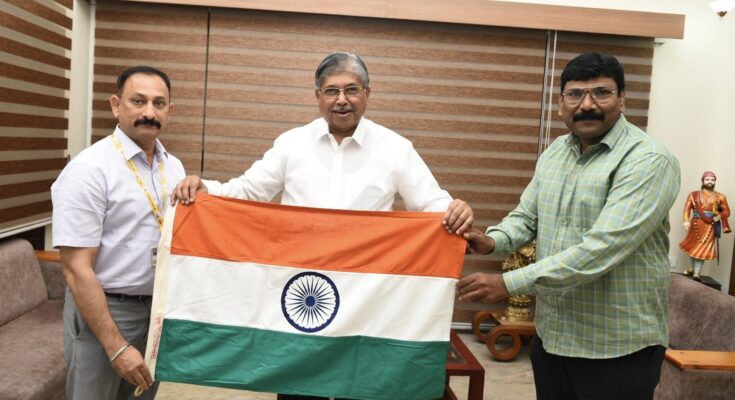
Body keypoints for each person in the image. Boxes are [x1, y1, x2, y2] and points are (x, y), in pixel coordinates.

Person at [172, 51, 473, 400]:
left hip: (365, 298)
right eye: (331, 91)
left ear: (367, 94)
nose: (341, 100)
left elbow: (432, 206)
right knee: (300, 389)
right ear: (317, 96)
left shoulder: (396, 148)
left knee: (358, 387)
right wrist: (205, 189)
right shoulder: (292, 144)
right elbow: (248, 191)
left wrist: (456, 209)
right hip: (303, 292)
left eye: (351, 90)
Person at [456, 52, 680, 400]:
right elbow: (527, 217)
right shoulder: (557, 151)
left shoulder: (647, 160)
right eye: (575, 94)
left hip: (616, 348)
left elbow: (600, 250)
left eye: (601, 93)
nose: (587, 104)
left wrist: (507, 283)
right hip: (553, 338)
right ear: (561, 103)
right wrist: (491, 241)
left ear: (622, 99)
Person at [51, 66, 186, 400]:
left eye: (159, 103)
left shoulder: (174, 167)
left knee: (141, 395)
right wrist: (115, 346)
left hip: (156, 309)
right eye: (138, 101)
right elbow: (76, 268)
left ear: (170, 110)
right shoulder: (89, 169)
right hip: (109, 311)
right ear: (116, 105)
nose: (149, 113)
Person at [679, 171, 731, 280]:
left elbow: (727, 211)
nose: (710, 182)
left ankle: (697, 274)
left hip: (710, 226)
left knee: (702, 249)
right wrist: (686, 220)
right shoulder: (693, 195)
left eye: (712, 180)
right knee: (692, 248)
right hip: (695, 225)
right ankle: (693, 270)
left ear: (715, 181)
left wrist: (720, 216)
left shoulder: (720, 196)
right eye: (707, 179)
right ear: (703, 181)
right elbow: (687, 209)